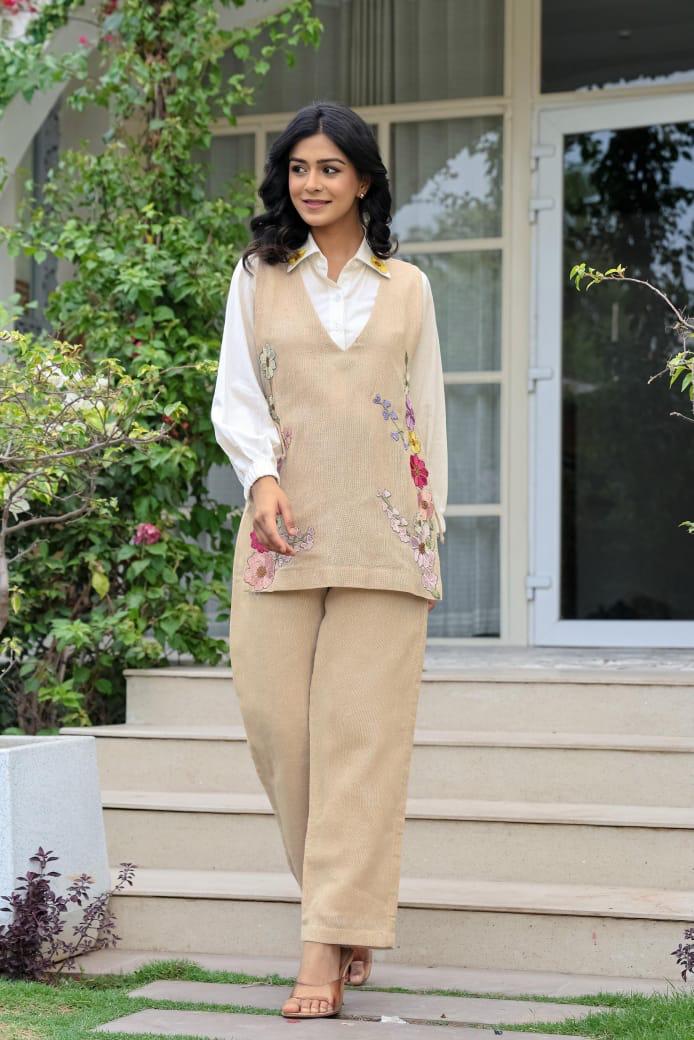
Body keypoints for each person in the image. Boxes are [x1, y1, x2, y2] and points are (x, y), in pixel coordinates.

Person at [211, 99, 448, 1020]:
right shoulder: (258, 276)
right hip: (283, 531)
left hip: (386, 535)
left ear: (363, 181)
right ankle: (342, 910)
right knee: (278, 729)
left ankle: (321, 946)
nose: (311, 183)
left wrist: (431, 533)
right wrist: (261, 479)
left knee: (361, 741)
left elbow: (427, 414)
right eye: (299, 168)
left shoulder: (408, 288)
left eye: (330, 169)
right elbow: (237, 397)